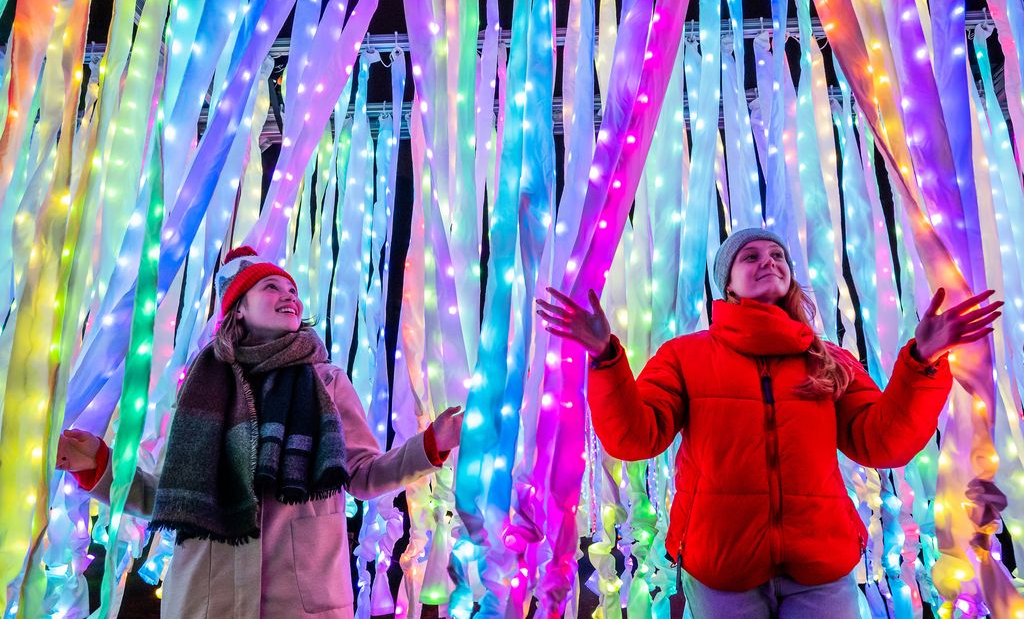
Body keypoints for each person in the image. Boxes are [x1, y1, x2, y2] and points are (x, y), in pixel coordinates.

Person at [536, 227, 1002, 618]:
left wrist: (922, 359)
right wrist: (605, 358)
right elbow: (634, 437)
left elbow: (883, 442)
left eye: (778, 255)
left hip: (821, 566)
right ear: (729, 285)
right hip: (724, 569)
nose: (769, 261)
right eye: (751, 255)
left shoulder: (828, 359)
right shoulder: (686, 356)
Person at [57, 246, 464, 618]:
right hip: (204, 602)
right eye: (271, 287)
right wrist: (99, 466)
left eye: (292, 289)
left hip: (301, 605)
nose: (289, 295)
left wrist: (431, 446)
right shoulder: (200, 390)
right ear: (238, 309)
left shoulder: (326, 383)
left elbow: (365, 474)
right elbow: (166, 495)